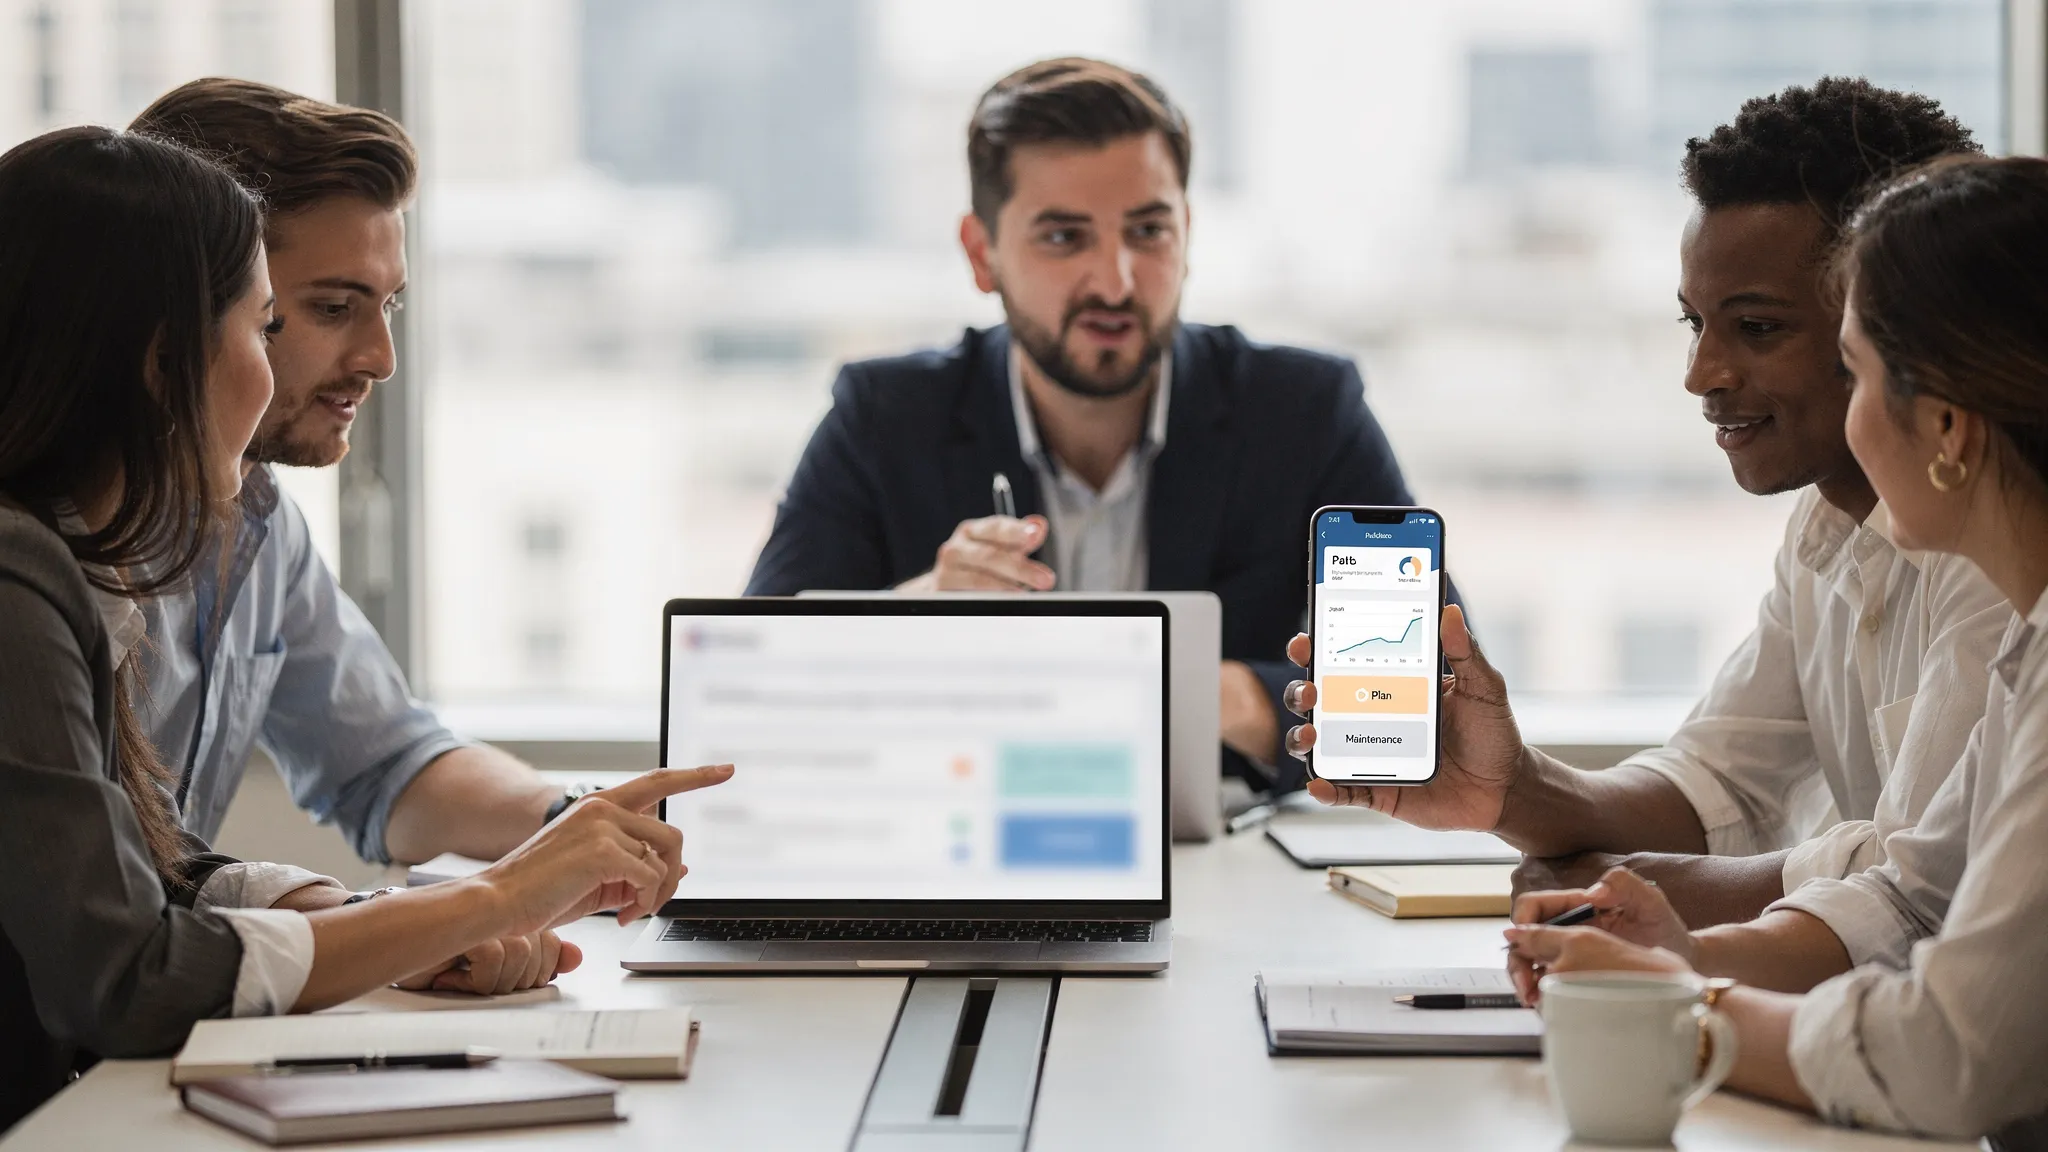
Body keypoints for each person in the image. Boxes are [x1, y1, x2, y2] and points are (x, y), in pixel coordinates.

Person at [0, 126, 726, 1132]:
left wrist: (409, 912)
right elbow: (125, 970)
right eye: (276, 322)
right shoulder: (23, 570)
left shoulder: (182, 535)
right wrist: (488, 901)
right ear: (161, 359)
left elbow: (152, 864)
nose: (380, 359)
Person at [1282, 79, 2007, 927]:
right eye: (1694, 324)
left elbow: (1919, 887)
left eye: (1757, 328)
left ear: (1898, 328)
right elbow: (1718, 789)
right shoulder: (1823, 531)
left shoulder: (1997, 552)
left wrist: (1633, 889)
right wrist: (1504, 787)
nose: (1701, 375)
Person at [1506, 154, 2048, 1149]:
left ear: (1944, 427)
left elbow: (1942, 1055)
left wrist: (1679, 1004)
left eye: (1859, 370)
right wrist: (1679, 955)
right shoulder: (2031, 644)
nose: (1702, 374)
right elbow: (1914, 895)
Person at [745, 57, 1431, 790]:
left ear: (1188, 234)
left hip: (1228, 849)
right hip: (965, 839)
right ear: (982, 254)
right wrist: (917, 619)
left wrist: (1215, 692)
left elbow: (1425, 705)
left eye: (1148, 230)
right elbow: (748, 698)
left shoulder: (1305, 412)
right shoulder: (884, 417)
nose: (1115, 281)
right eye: (1064, 238)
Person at [120, 80, 692, 881]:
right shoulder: (55, 542)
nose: (381, 359)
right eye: (332, 308)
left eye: (388, 305)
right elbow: (101, 905)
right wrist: (450, 916)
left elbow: (386, 763)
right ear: (198, 303)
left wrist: (576, 822)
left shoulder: (260, 523)